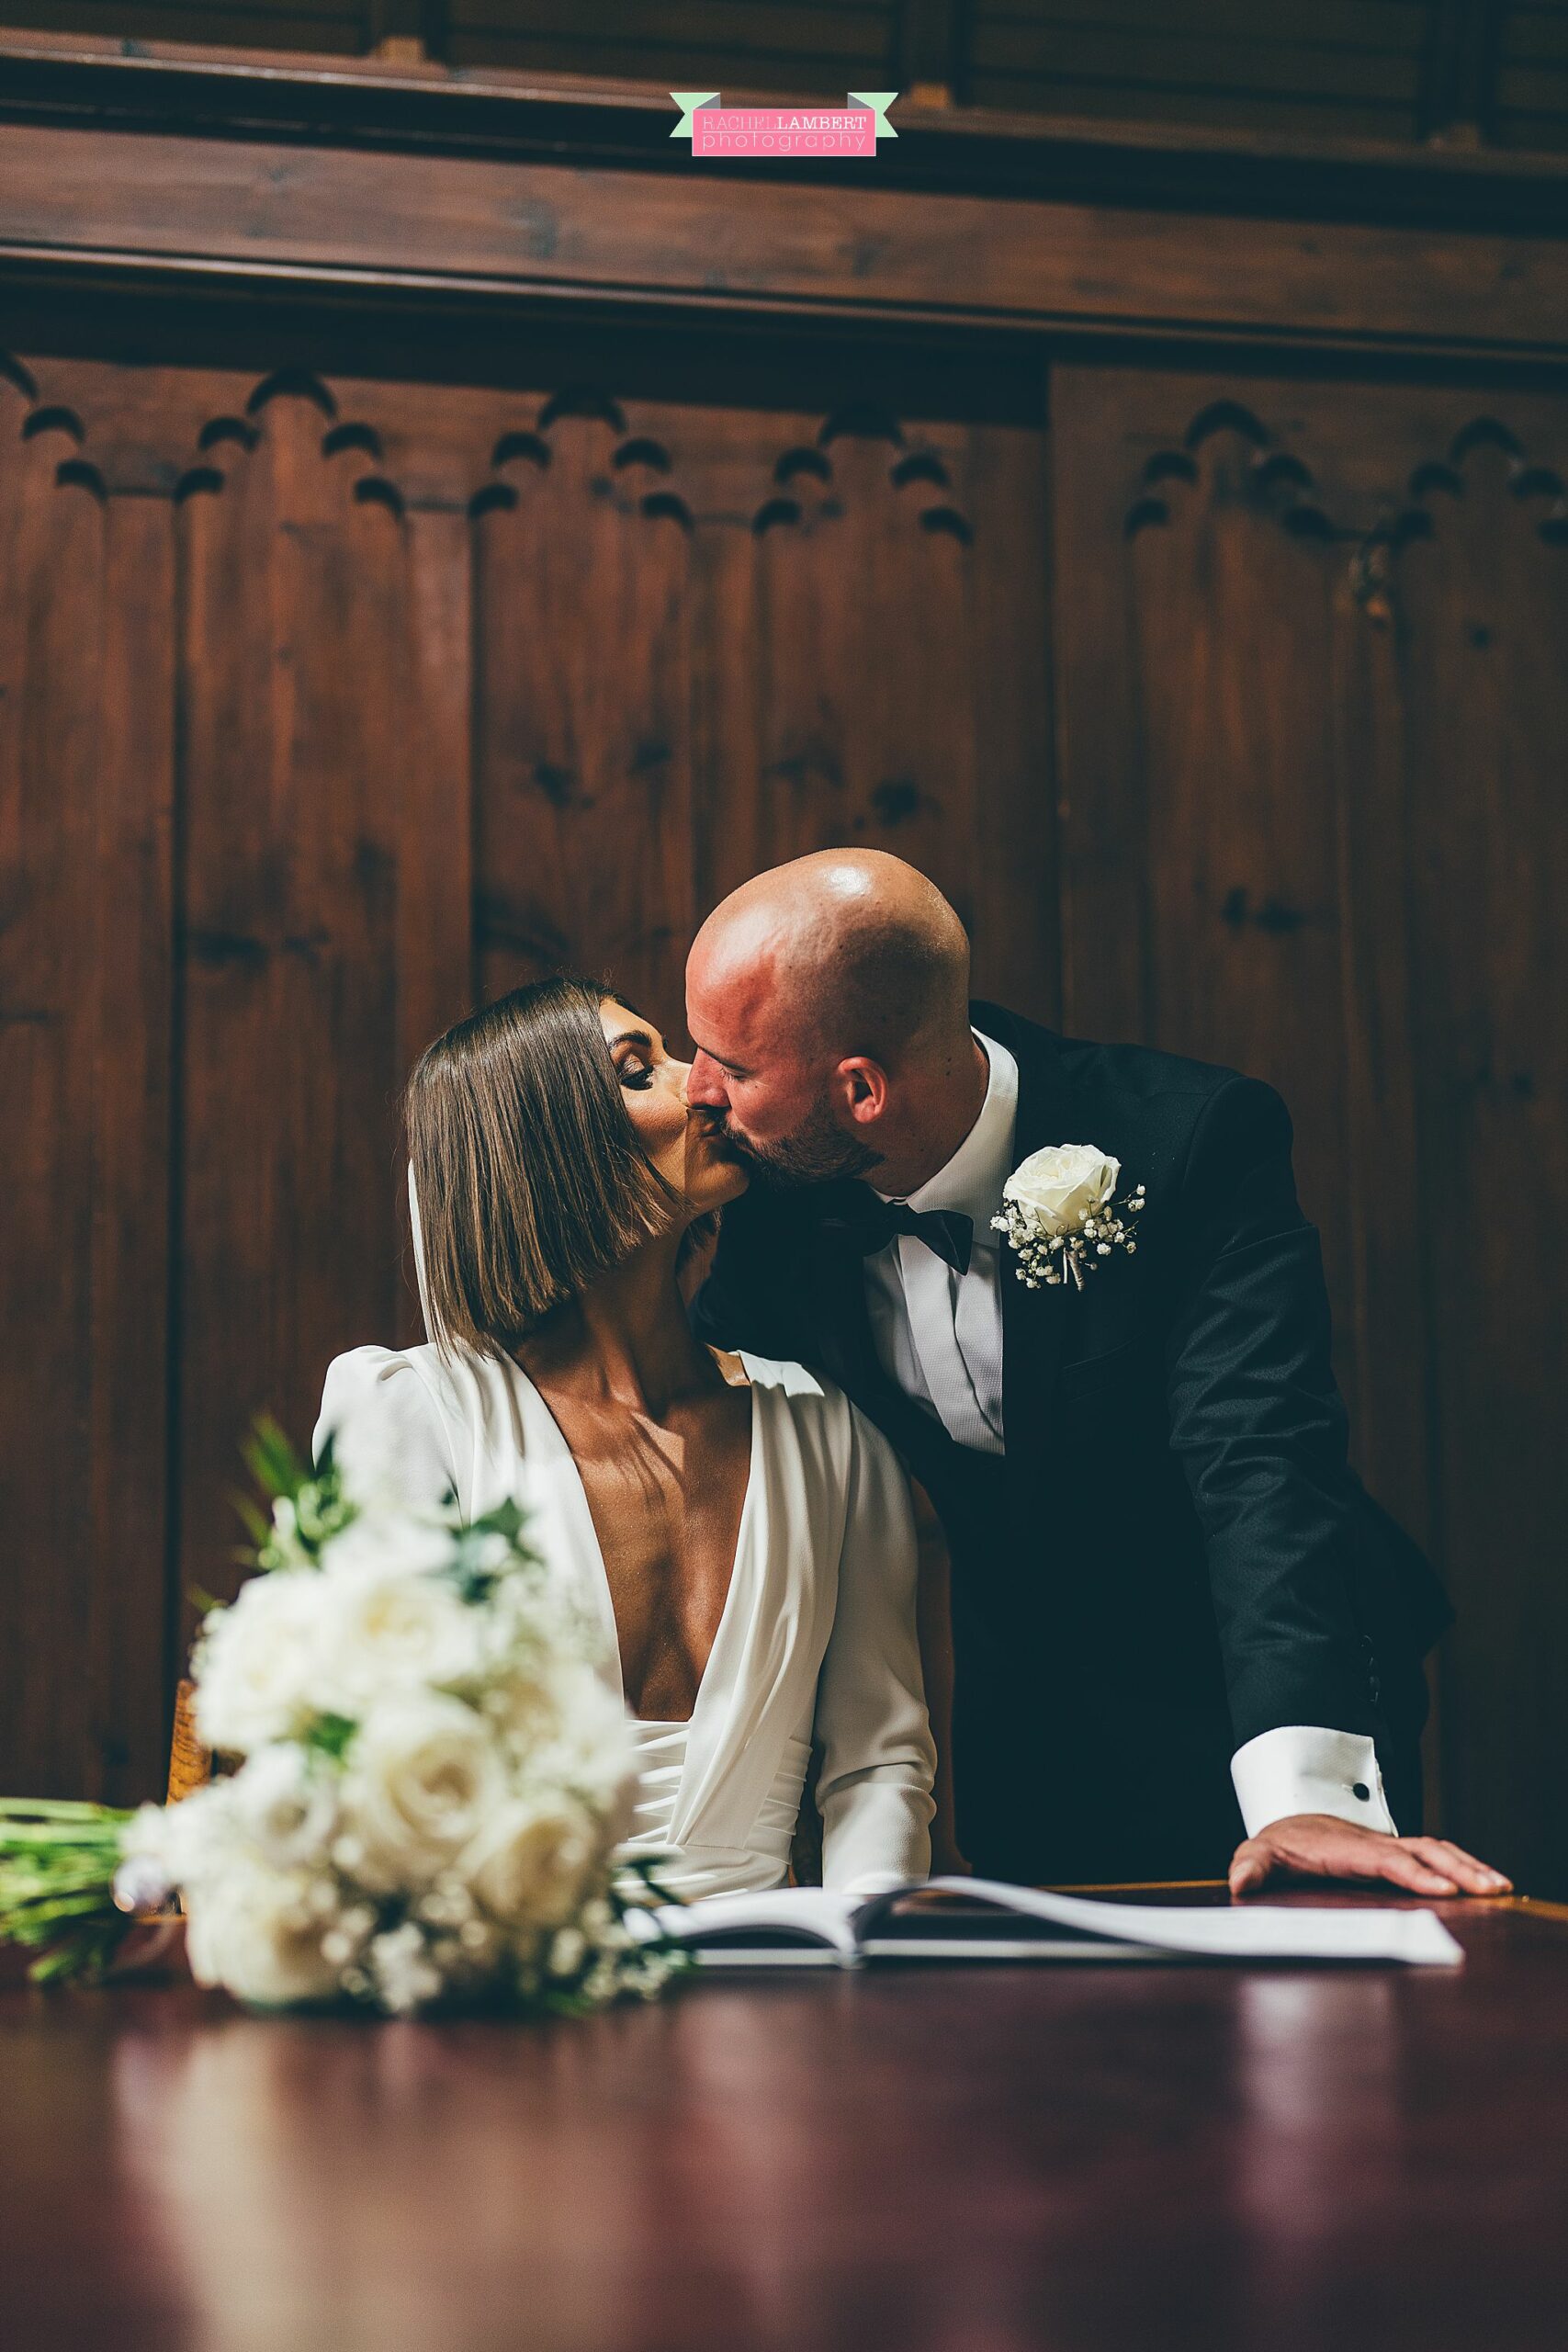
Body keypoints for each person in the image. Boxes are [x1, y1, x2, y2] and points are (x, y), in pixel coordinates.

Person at [686, 850, 1512, 1901]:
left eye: (732, 1065)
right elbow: (698, 1406)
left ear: (860, 1089)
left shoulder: (1192, 1140)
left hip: (1259, 1673)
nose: (699, 1091)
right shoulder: (776, 1196)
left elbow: (1260, 1458)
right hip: (1033, 1723)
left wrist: (1301, 1788)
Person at [313, 977, 935, 1903]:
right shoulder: (409, 1414)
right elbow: (365, 1767)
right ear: (548, 1146)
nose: (706, 1084)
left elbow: (878, 1766)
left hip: (781, 2002)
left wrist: (855, 1966)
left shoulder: (827, 1432)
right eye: (641, 1071)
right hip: (514, 1999)